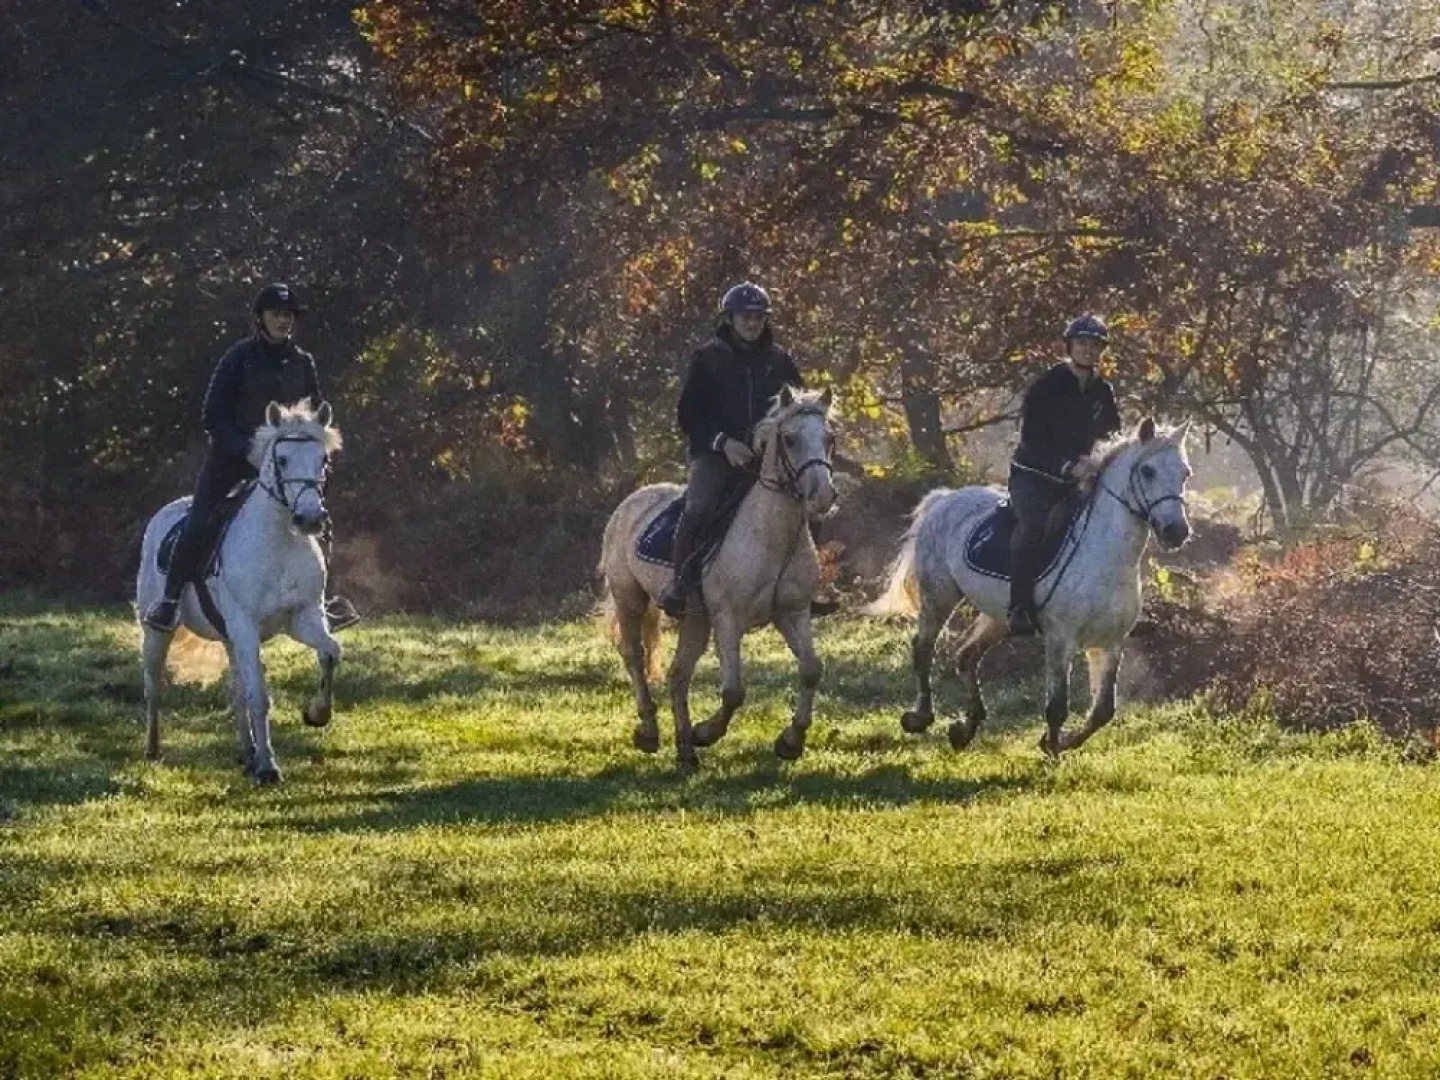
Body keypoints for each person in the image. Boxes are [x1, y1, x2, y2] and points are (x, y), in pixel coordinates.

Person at [141, 283, 361, 633]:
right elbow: (212, 415)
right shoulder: (238, 358)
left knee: (316, 519)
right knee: (198, 522)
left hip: (287, 468)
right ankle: (168, 602)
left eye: (288, 316)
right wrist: (246, 449)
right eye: (276, 314)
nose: (283, 321)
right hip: (232, 460)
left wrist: (315, 453)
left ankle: (324, 602)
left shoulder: (303, 363)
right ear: (260, 318)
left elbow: (315, 416)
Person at [659, 281, 838, 618]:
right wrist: (723, 443)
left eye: (758, 316)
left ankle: (809, 586)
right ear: (730, 318)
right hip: (715, 453)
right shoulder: (707, 358)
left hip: (768, 456)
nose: (752, 323)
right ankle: (680, 586)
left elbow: (798, 409)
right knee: (699, 506)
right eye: (744, 316)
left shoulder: (779, 360)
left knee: (813, 499)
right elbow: (688, 415)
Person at [1006, 313, 1122, 637]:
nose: (1089, 350)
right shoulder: (1046, 387)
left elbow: (1112, 435)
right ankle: (1019, 607)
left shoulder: (1103, 391)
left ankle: (1116, 609)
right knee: (1032, 527)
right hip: (1033, 476)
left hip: (1079, 481)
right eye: (1082, 343)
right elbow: (1031, 441)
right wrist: (1068, 466)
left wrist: (1101, 463)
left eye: (1095, 345)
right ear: (1070, 346)